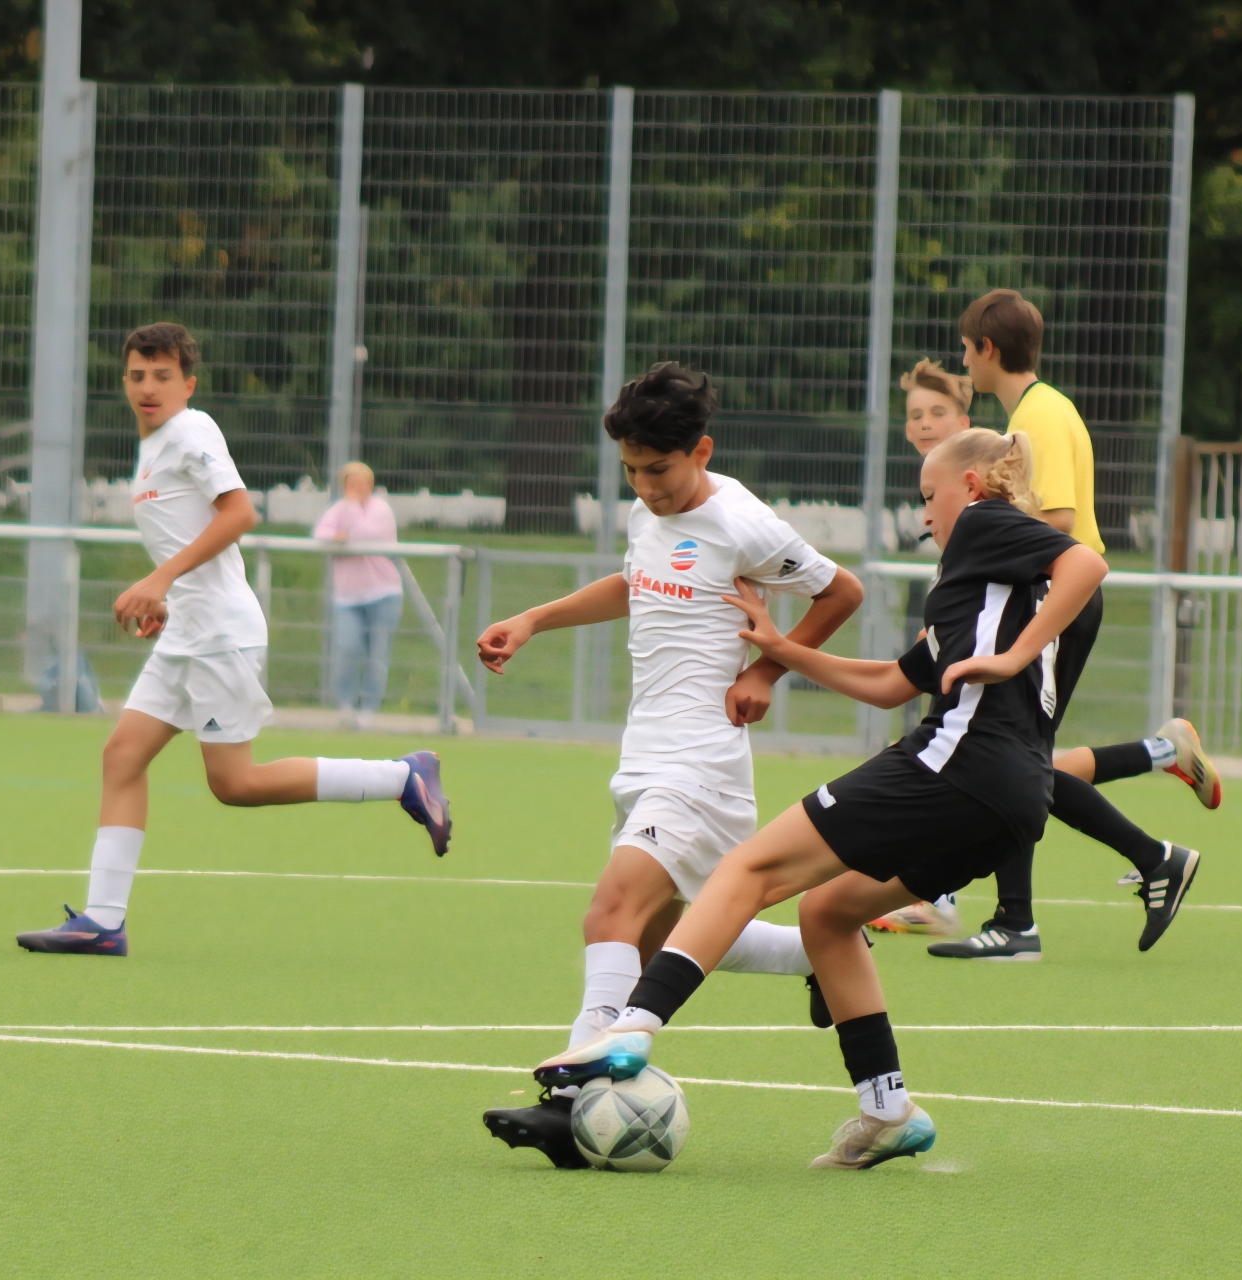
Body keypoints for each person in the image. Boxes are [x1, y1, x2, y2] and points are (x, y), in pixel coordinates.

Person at [534, 429, 1194, 1169]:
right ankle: (888, 1111)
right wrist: (781, 651)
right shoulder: (995, 588)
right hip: (1015, 803)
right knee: (828, 912)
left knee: (750, 870)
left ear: (972, 485)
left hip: (952, 767)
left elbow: (1088, 563)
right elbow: (890, 683)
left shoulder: (985, 527)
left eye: (929, 496)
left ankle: (632, 1027)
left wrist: (1010, 657)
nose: (925, 515)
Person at [475, 362, 865, 1169]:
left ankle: (572, 1104)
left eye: (660, 470)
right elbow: (636, 584)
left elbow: (842, 592)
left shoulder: (742, 522)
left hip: (701, 765)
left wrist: (766, 671)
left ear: (702, 451)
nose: (646, 488)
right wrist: (535, 619)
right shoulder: (646, 512)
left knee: (610, 911)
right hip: (644, 757)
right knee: (659, 938)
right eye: (631, 472)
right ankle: (820, 951)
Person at [14, 324, 450, 957]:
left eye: (163, 376)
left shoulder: (191, 430)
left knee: (235, 783)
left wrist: (159, 580)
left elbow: (240, 512)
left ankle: (403, 776)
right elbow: (188, 535)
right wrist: (170, 599)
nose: (148, 387)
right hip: (188, 631)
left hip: (220, 633)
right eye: (137, 375)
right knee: (122, 756)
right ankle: (103, 922)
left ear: (187, 384)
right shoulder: (153, 447)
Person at [870, 353, 1217, 945]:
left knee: (1010, 760)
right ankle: (1156, 766)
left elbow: (1060, 534)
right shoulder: (956, 498)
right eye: (915, 415)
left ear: (967, 425)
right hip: (1033, 611)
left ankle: (1007, 913)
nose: (925, 424)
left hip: (1049, 607)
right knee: (1014, 760)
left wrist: (1006, 644)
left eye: (938, 412)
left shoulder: (1001, 468)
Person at [315, 461, 403, 730]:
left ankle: (368, 710)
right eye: (351, 485)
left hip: (383, 593)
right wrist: (337, 536)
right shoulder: (338, 509)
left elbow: (366, 534)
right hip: (347, 597)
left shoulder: (381, 509)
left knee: (378, 656)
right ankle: (346, 705)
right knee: (347, 648)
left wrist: (350, 515)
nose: (356, 489)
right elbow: (321, 534)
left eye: (361, 483)